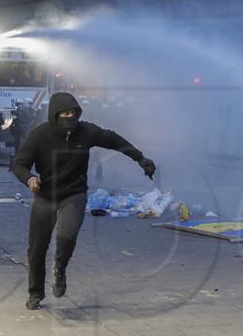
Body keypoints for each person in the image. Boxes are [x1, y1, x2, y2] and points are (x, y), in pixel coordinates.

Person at [11, 92, 156, 310]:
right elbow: (18, 164)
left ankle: (60, 267)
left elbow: (113, 139)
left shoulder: (86, 131)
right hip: (45, 195)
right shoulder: (39, 135)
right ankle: (36, 293)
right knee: (37, 247)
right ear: (55, 114)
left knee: (66, 235)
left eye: (73, 113)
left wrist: (140, 158)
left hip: (74, 194)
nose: (70, 117)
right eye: (65, 113)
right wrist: (29, 178)